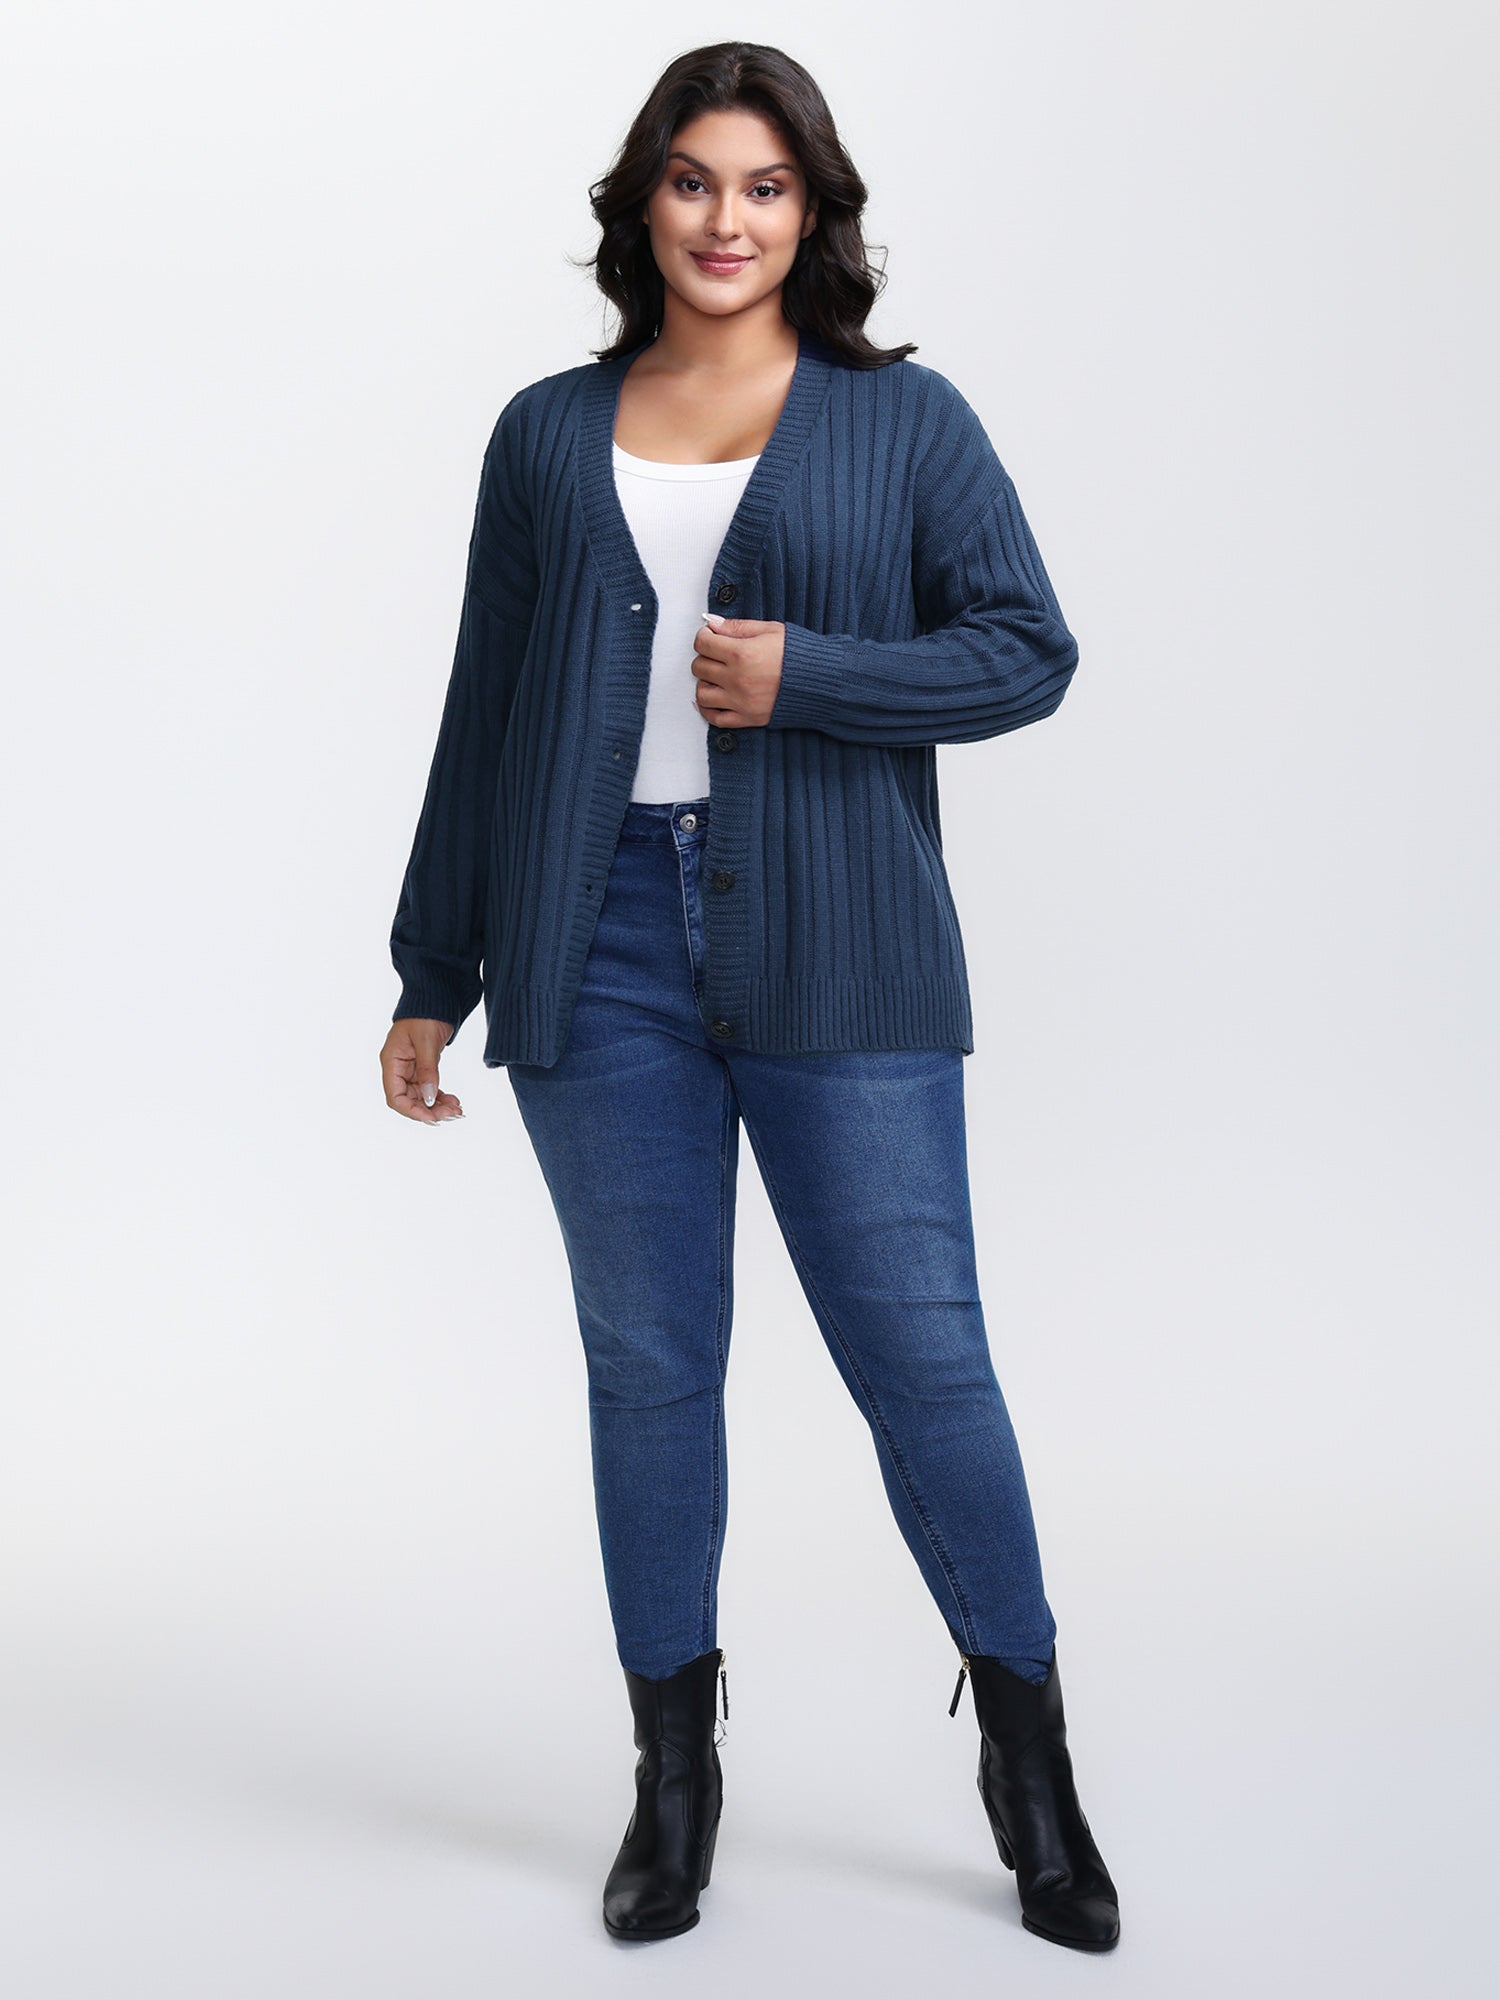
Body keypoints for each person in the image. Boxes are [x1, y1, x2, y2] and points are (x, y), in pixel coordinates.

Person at [379, 40, 1120, 1955]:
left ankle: (1030, 1769)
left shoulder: (905, 420)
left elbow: (1027, 649)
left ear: (814, 212)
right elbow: (485, 709)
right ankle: (673, 1780)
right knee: (649, 1368)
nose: (729, 220)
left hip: (842, 939)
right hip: (591, 942)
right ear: (644, 202)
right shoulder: (546, 434)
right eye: (696, 181)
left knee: (924, 1360)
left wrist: (814, 681)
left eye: (767, 187)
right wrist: (432, 970)